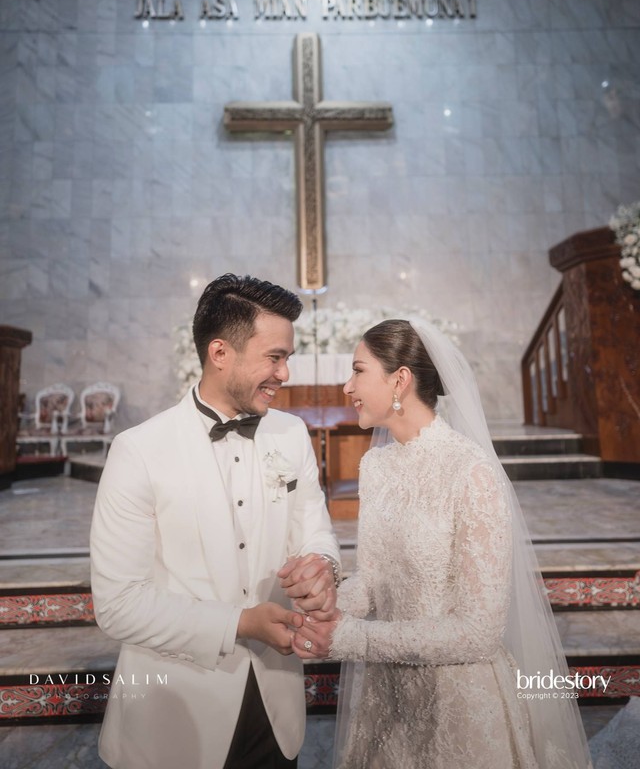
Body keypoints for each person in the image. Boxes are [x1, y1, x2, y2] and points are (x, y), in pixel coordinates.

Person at [291, 319, 593, 769]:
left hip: (458, 699)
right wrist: (321, 609)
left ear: (400, 379)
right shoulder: (375, 466)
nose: (346, 384)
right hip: (387, 697)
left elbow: (479, 633)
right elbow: (372, 582)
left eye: (358, 371)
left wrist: (353, 638)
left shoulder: (471, 472)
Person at [90, 274, 341, 769]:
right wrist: (240, 623)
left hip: (277, 706)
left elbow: (316, 531)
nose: (285, 374)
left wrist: (325, 569)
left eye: (286, 357)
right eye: (275, 357)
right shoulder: (139, 451)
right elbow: (118, 605)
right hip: (176, 716)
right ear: (220, 352)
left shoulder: (291, 435)